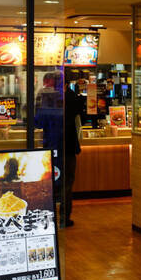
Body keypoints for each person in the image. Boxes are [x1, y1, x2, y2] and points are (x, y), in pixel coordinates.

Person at [61, 79, 87, 227]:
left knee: (59, 183)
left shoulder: (49, 98)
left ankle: (57, 216)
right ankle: (64, 217)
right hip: (70, 147)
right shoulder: (75, 99)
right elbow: (79, 125)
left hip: (55, 146)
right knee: (67, 183)